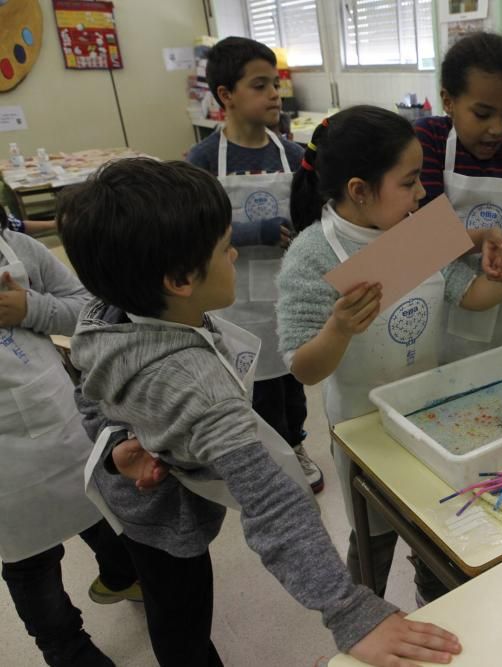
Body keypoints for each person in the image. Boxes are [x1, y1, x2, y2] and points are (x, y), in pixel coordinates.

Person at [59, 158, 462, 667]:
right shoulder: (200, 388)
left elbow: (87, 383)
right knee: (181, 617)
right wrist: (348, 610)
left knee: (172, 602)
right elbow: (273, 505)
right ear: (181, 279)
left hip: (132, 482)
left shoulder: (103, 310)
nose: (234, 254)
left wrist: (117, 442)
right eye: (224, 248)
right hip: (161, 509)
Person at [277, 106, 502, 605]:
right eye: (410, 181)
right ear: (359, 190)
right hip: (363, 430)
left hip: (428, 417)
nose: (422, 193)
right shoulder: (314, 255)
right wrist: (337, 329)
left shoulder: (413, 232)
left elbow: (468, 293)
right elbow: (304, 366)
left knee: (437, 529)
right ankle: (364, 620)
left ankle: (434, 606)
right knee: (373, 538)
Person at [0, 210, 141, 666]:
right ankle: (65, 645)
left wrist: (31, 309)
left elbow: (90, 308)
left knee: (96, 505)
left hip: (55, 413)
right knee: (30, 561)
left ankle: (124, 574)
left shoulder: (19, 250)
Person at [187, 36, 322, 493]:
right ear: (225, 95)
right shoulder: (203, 161)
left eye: (275, 84)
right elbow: (194, 234)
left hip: (288, 294)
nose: (274, 95)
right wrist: (251, 234)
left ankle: (296, 444)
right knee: (256, 389)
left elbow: (312, 218)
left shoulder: (293, 154)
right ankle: (272, 461)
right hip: (237, 301)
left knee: (292, 382)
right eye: (260, 85)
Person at [414, 32, 502, 364]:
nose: (498, 129)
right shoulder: (428, 140)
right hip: (445, 304)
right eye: (483, 114)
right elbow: (419, 238)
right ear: (448, 100)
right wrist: (483, 237)